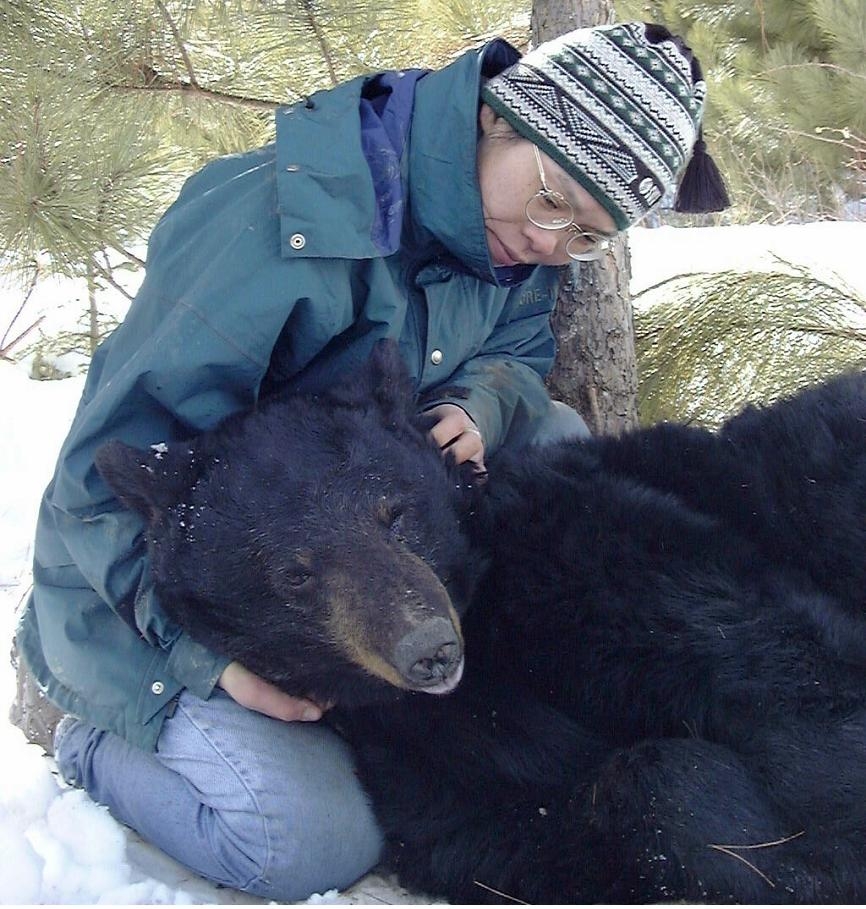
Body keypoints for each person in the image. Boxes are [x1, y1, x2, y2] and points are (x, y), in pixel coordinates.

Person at [17, 20, 728, 901]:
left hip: (356, 546)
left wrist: (480, 402)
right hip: (148, 593)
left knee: (551, 439)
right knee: (305, 840)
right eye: (553, 203)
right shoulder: (275, 227)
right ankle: (88, 728)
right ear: (500, 120)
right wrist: (203, 664)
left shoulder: (507, 233)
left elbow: (516, 347)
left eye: (588, 235)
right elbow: (106, 481)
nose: (553, 244)